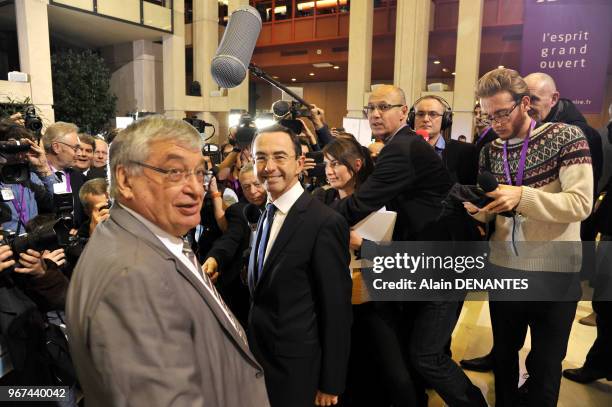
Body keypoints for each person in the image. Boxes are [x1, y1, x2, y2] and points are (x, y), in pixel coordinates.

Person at [66, 116, 269, 407]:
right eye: (174, 172)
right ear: (125, 180)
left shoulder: (148, 240)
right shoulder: (132, 277)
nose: (195, 190)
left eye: (199, 173)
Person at [331, 85, 486, 406]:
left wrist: (313, 220)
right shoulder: (402, 145)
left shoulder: (401, 149)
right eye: (370, 108)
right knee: (420, 349)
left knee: (427, 354)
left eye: (384, 107)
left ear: (404, 113)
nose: (375, 113)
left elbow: (362, 202)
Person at [465, 68, 592, 407]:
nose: (496, 122)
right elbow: (497, 208)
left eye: (502, 113)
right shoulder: (490, 149)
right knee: (503, 363)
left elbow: (580, 203)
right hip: (505, 269)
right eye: (487, 115)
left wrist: (522, 197)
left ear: (524, 104)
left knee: (546, 371)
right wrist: (480, 210)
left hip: (555, 272)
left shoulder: (567, 137)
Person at [248, 124, 352, 407]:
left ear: (299, 163)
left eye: (280, 157)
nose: (269, 167)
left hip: (298, 370)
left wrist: (331, 382)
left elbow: (336, 310)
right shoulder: (265, 213)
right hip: (260, 361)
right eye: (260, 157)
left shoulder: (324, 222)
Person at [202, 163, 266, 326]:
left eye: (257, 184)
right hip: (241, 293)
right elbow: (230, 239)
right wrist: (214, 258)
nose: (252, 192)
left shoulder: (283, 210)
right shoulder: (240, 211)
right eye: (246, 187)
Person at [42, 122, 87, 226]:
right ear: (56, 147)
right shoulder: (36, 179)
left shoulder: (79, 178)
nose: (80, 153)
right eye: (75, 148)